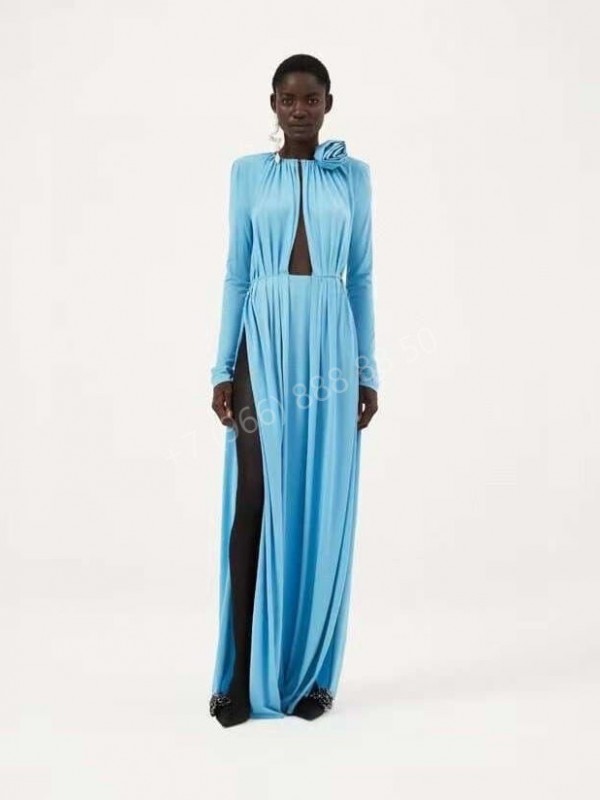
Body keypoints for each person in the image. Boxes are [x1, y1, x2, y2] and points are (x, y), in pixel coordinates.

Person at [209, 53, 379, 727]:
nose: (300, 109)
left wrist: (366, 371)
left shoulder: (353, 177)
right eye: (288, 99)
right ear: (274, 105)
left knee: (319, 500)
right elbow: (236, 272)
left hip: (331, 342)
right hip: (265, 338)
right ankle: (237, 675)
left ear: (328, 104)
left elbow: (360, 276)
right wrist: (223, 368)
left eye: (311, 99)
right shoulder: (248, 173)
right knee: (254, 491)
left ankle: (312, 673)